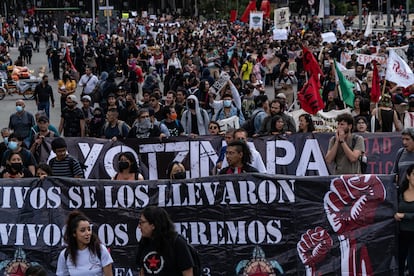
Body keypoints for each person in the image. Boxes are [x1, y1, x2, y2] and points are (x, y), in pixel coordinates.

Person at [136, 206, 194, 275]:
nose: (139, 226)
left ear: (153, 225)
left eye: (141, 222)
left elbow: (188, 273)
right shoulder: (144, 242)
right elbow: (142, 271)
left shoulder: (177, 243)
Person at [56, 210, 113, 276]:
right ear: (74, 233)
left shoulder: (100, 250)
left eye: (89, 229)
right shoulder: (65, 255)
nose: (88, 233)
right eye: (82, 230)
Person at [394, 164, 414, 276]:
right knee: (399, 265)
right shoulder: (400, 192)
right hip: (401, 234)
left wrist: (404, 216)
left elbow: (401, 214)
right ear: (408, 176)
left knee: (412, 266)